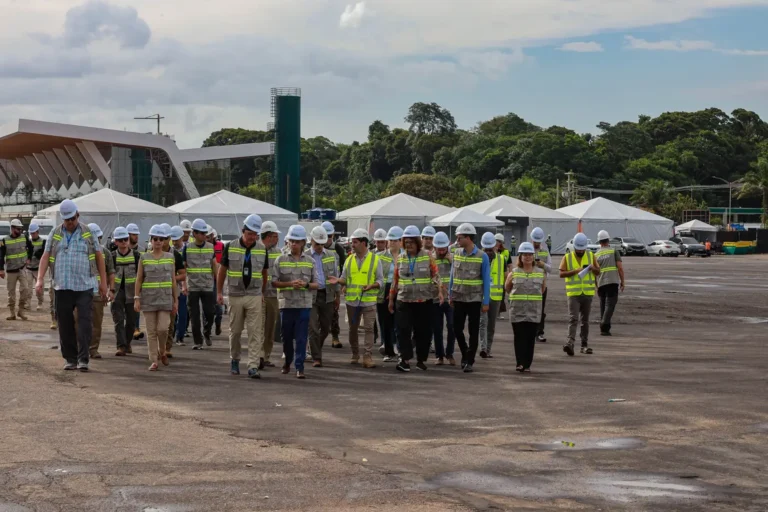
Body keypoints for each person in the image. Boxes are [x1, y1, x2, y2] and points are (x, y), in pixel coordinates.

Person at [35, 199, 108, 371]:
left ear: (78, 215)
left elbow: (99, 257)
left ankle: (83, 359)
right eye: (67, 220)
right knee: (65, 324)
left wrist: (103, 283)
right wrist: (40, 279)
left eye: (73, 219)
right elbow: (45, 256)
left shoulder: (88, 233)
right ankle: (70, 359)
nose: (70, 223)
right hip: (62, 286)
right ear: (62, 219)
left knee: (84, 323)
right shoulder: (55, 233)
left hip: (85, 285)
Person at [217, 214, 268, 378]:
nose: (251, 237)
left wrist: (262, 292)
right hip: (236, 294)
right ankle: (235, 359)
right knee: (236, 331)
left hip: (254, 293)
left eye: (255, 235)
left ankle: (253, 365)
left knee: (255, 331)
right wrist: (219, 292)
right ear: (243, 231)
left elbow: (264, 273)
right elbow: (222, 270)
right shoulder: (230, 246)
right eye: (249, 234)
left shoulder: (261, 249)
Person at [388, 226, 442, 372]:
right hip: (403, 300)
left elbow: (436, 276)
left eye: (411, 242)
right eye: (406, 242)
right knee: (402, 330)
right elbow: (395, 280)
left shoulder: (428, 256)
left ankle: (420, 360)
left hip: (423, 301)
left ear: (418, 242)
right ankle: (404, 359)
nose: (408, 245)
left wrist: (441, 293)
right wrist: (391, 299)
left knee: (423, 332)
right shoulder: (400, 258)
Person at [328, 228, 382, 369]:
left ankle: (368, 356)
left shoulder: (375, 259)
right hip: (352, 301)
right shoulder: (349, 259)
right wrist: (338, 281)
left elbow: (381, 280)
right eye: (352, 242)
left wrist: (372, 285)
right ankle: (355, 353)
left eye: (355, 242)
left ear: (364, 243)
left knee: (369, 329)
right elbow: (345, 278)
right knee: (353, 328)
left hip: (369, 300)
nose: (352, 245)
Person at [272, 225, 319, 379]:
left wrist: (305, 285)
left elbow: (316, 284)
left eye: (297, 241)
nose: (293, 244)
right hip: (287, 305)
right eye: (291, 241)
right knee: (286, 336)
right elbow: (274, 282)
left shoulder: (310, 261)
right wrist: (290, 284)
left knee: (301, 337)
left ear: (303, 243)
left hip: (304, 305)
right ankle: (287, 362)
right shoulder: (280, 260)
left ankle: (299, 367)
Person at [134, 224, 178, 371]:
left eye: (161, 239)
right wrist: (136, 298)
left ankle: (162, 350)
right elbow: (139, 279)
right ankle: (154, 360)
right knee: (151, 331)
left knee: (163, 329)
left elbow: (173, 280)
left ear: (165, 240)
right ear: (151, 240)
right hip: (149, 300)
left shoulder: (170, 257)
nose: (158, 241)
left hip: (165, 299)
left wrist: (175, 300)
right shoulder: (144, 257)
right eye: (156, 239)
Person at [449, 223, 491, 373]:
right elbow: (452, 276)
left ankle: (469, 360)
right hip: (459, 297)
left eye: (459, 237)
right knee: (456, 329)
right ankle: (466, 352)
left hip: (474, 299)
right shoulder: (457, 253)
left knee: (473, 331)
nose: (457, 240)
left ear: (468, 238)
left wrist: (486, 301)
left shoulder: (482, 256)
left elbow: (486, 280)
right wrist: (450, 295)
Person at [505, 242, 545, 372]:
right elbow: (507, 288)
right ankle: (520, 363)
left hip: (533, 311)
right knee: (519, 337)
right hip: (518, 311)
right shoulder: (514, 273)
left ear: (533, 257)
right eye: (525, 255)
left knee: (530, 338)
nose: (527, 257)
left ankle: (527, 364)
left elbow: (542, 289)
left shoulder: (540, 273)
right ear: (520, 257)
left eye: (530, 255)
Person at [559, 232, 600, 356]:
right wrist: (574, 271)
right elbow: (561, 274)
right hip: (573, 293)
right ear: (574, 246)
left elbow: (598, 272)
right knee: (573, 319)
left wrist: (593, 268)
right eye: (578, 249)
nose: (581, 251)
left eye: (583, 249)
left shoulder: (591, 255)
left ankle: (584, 345)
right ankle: (570, 343)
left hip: (587, 293)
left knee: (585, 320)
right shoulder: (567, 257)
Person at [306, 226, 340, 367]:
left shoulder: (332, 256)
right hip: (311, 295)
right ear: (311, 240)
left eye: (322, 243)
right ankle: (316, 357)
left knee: (325, 328)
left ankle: (314, 349)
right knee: (313, 328)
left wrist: (337, 295)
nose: (320, 246)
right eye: (317, 243)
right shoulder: (305, 256)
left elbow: (336, 276)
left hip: (328, 295)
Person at [184, 219, 217, 350]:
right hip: (193, 286)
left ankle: (207, 332)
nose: (205, 236)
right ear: (195, 234)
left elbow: (214, 265)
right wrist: (184, 285)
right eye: (202, 233)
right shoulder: (187, 248)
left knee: (210, 312)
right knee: (194, 315)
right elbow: (184, 267)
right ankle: (198, 341)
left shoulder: (210, 247)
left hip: (208, 286)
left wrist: (217, 283)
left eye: (205, 233)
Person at [84, 223, 115, 359]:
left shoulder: (106, 253)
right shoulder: (82, 251)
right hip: (82, 292)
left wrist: (111, 289)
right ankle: (82, 348)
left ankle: (93, 349)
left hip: (98, 293)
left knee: (96, 323)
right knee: (80, 322)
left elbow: (111, 272)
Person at [111, 227, 140, 357]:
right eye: (120, 240)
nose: (123, 242)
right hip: (117, 292)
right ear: (115, 242)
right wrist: (109, 290)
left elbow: (141, 276)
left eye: (125, 239)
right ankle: (121, 346)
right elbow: (108, 274)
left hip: (132, 292)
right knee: (118, 320)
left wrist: (139, 294)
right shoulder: (112, 256)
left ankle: (127, 343)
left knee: (131, 321)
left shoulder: (136, 256)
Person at [375, 226, 403, 362]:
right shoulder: (379, 256)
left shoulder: (406, 256)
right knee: (385, 321)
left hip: (401, 290)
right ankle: (388, 350)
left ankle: (399, 347)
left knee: (400, 321)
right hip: (384, 290)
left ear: (401, 241)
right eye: (390, 240)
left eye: (395, 240)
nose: (392, 243)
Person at [1, 218, 34, 320]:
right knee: (11, 294)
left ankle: (20, 311)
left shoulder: (24, 237)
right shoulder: (4, 241)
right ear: (12, 228)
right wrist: (1, 269)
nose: (19, 231)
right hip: (11, 271)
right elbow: (0, 256)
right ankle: (12, 313)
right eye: (17, 229)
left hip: (21, 269)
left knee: (25, 290)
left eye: (20, 229)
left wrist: (29, 258)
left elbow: (31, 248)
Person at [479, 232, 505, 359]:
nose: (489, 250)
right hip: (482, 296)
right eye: (486, 248)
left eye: (491, 247)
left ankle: (488, 349)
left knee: (491, 326)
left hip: (495, 297)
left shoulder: (501, 259)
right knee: (483, 323)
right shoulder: (479, 257)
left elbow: (505, 276)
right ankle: (483, 348)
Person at [321, 221, 347, 349]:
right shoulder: (316, 247)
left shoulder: (338, 248)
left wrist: (342, 283)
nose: (327, 239)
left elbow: (344, 266)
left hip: (334, 283)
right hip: (320, 283)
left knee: (334, 311)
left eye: (329, 236)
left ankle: (335, 337)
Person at [260, 221, 282, 368]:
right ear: (267, 236)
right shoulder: (256, 250)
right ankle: (259, 356)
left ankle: (266, 356)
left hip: (273, 295)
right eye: (274, 236)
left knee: (270, 328)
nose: (276, 239)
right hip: (258, 295)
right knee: (258, 328)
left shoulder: (278, 253)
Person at [595, 230, 625, 337]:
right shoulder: (613, 251)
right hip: (612, 282)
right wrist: (623, 282)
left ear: (599, 242)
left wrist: (596, 285)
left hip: (601, 283)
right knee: (610, 304)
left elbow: (594, 272)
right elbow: (620, 268)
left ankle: (605, 329)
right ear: (608, 240)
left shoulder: (596, 254)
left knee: (603, 305)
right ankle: (604, 324)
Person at [164, 226, 185, 359]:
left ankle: (167, 348)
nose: (161, 241)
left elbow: (183, 275)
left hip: (171, 292)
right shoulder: (148, 254)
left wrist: (172, 279)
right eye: (158, 238)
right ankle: (156, 349)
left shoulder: (175, 255)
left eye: (165, 238)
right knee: (156, 325)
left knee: (170, 322)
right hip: (154, 293)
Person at [529, 227, 552, 343]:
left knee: (540, 309)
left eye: (538, 241)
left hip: (542, 285)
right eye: (534, 241)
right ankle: (530, 332)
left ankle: (540, 333)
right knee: (529, 308)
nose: (536, 243)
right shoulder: (527, 249)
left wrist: (542, 265)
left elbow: (550, 268)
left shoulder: (545, 250)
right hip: (528, 284)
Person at [169, 226, 188, 348]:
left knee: (183, 312)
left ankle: (180, 336)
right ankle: (172, 334)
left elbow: (186, 271)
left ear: (182, 237)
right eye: (173, 239)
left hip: (182, 285)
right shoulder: (169, 251)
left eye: (177, 239)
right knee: (172, 313)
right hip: (171, 287)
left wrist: (185, 285)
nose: (175, 242)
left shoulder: (187, 250)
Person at [126, 223, 145, 341]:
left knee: (136, 307)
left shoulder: (142, 250)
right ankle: (128, 329)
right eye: (133, 234)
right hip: (123, 285)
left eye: (137, 234)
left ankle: (136, 328)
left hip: (136, 284)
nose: (136, 236)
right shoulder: (122, 249)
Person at [209, 227, 225, 336]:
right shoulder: (203, 247)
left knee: (219, 307)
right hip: (206, 280)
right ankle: (207, 329)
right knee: (208, 307)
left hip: (217, 280)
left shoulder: (221, 246)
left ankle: (218, 323)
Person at [27, 223, 46, 311]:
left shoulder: (43, 242)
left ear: (38, 232)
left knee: (39, 289)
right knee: (28, 287)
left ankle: (40, 303)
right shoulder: (28, 242)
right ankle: (28, 303)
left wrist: (39, 253)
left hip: (38, 269)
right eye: (31, 233)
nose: (32, 235)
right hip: (29, 268)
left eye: (34, 233)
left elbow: (45, 255)